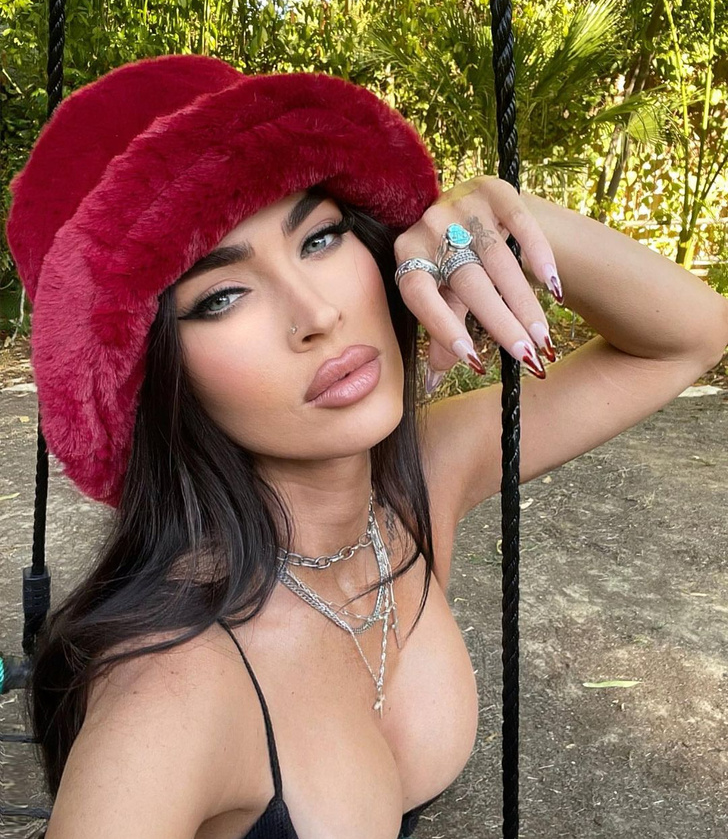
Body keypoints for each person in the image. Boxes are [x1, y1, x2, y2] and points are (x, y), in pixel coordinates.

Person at [5, 53, 727, 839]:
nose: (317, 314)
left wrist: (495, 222)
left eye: (320, 238)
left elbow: (688, 337)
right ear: (155, 374)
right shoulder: (165, 696)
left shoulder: (418, 480)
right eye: (221, 296)